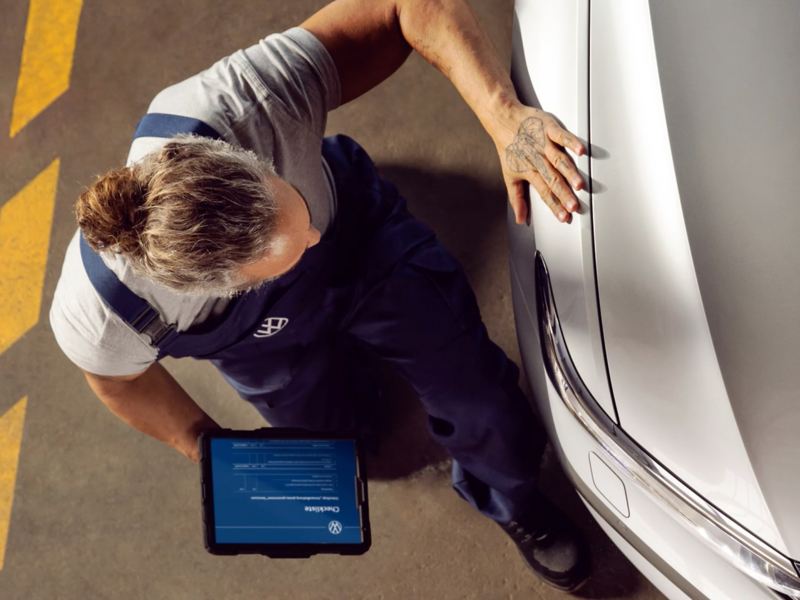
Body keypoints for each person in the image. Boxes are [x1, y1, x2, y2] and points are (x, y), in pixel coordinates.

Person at [49, 0, 589, 591]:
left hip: (362, 245)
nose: (308, 235)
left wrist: (500, 111)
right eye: (286, 250)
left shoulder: (246, 101)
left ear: (248, 157)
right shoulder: (104, 315)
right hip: (257, 343)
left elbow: (408, 5)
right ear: (211, 286)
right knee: (329, 442)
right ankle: (351, 407)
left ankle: (512, 498)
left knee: (478, 395)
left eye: (293, 208)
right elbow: (114, 381)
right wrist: (201, 444)